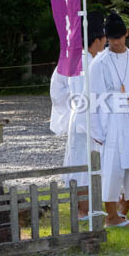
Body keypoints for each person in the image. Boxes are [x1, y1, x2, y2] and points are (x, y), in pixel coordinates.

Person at [89, 12, 129, 228]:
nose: (116, 42)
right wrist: (97, 131)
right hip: (111, 121)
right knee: (111, 168)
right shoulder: (100, 63)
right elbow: (93, 98)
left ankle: (125, 208)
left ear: (125, 34)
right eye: (111, 38)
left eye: (119, 37)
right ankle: (111, 216)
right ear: (106, 37)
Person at [49, 12, 106, 218]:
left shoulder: (92, 59)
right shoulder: (82, 61)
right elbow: (58, 88)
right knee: (82, 164)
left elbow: (57, 89)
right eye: (104, 38)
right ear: (97, 40)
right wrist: (71, 109)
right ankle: (82, 210)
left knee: (91, 163)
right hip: (84, 117)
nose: (106, 42)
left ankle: (88, 207)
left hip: (88, 116)